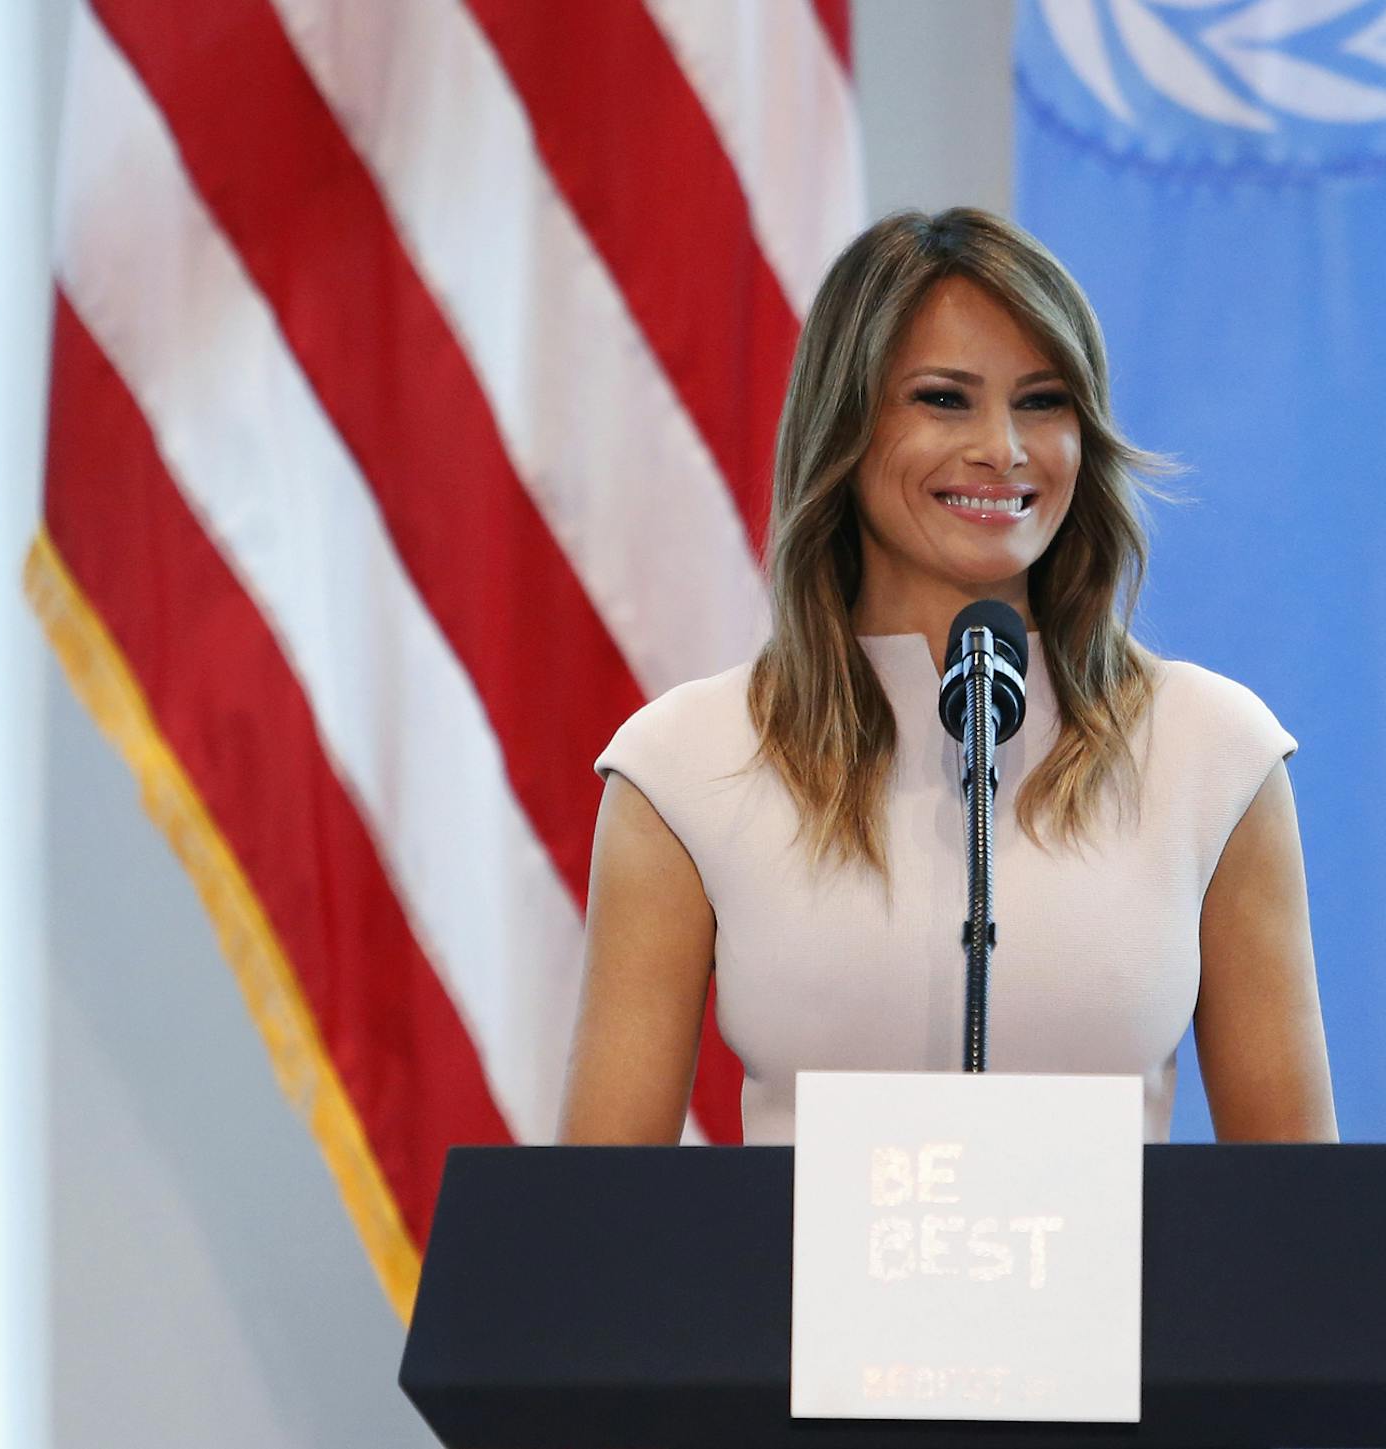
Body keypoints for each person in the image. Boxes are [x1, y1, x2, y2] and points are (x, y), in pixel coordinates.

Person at [559, 208, 1336, 1147]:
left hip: (1123, 1303)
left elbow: (1300, 1217)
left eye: (1043, 401)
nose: (1002, 448)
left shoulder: (1215, 752)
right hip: (789, 1302)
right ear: (844, 430)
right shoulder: (685, 764)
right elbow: (603, 1216)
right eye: (944, 398)